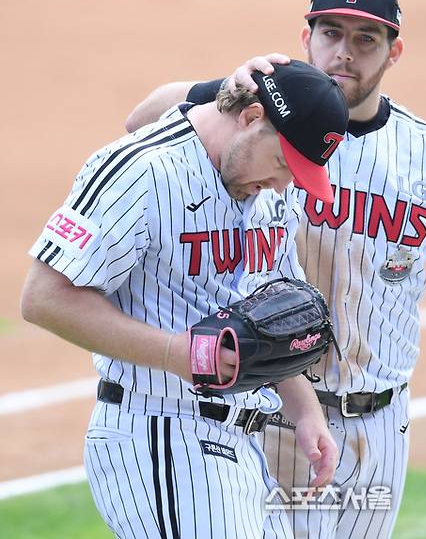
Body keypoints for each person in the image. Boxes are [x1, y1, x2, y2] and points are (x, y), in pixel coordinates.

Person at [126, 0, 426, 539]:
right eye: (331, 33)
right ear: (306, 38)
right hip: (266, 415)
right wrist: (223, 88)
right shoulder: (256, 123)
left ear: (394, 52)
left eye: (366, 39)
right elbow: (141, 121)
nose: (345, 53)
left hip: (380, 430)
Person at [21, 59, 350, 539]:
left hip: (241, 444)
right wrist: (179, 353)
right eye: (282, 164)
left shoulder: (267, 192)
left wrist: (304, 409)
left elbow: (272, 317)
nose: (284, 184)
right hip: (158, 434)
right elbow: (45, 297)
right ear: (252, 117)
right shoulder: (144, 172)